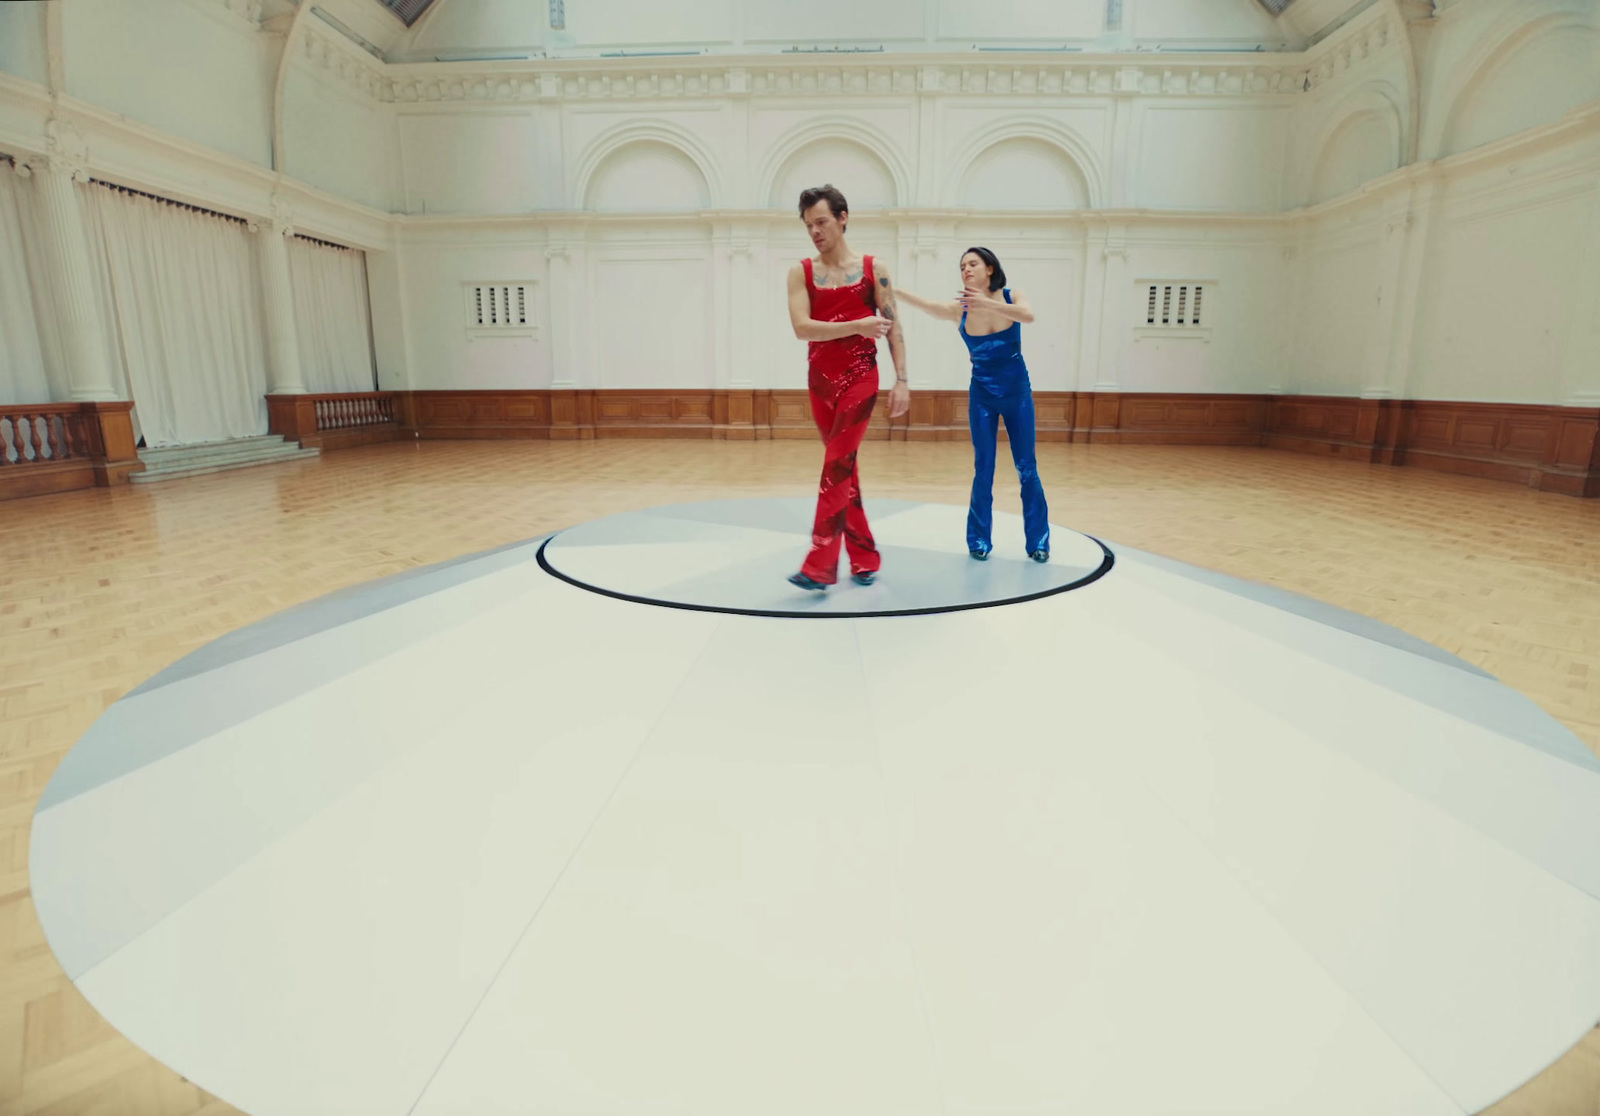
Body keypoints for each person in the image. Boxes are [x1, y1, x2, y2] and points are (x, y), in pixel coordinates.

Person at [784, 184, 910, 591]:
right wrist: (857, 324)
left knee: (835, 467)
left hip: (861, 378)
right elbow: (802, 328)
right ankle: (864, 556)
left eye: (821, 221)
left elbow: (894, 327)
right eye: (808, 225)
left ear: (842, 217)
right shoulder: (800, 271)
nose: (815, 231)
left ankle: (819, 565)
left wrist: (902, 379)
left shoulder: (875, 268)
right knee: (845, 472)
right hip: (820, 383)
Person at [897, 247, 1049, 561]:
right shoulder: (960, 309)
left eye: (972, 263)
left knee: (1027, 468)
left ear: (989, 268)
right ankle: (978, 541)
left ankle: (1039, 542)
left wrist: (989, 303)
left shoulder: (1011, 295)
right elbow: (928, 307)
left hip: (1017, 392)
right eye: (962, 265)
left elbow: (1029, 316)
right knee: (984, 468)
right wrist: (893, 290)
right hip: (982, 395)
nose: (966, 269)